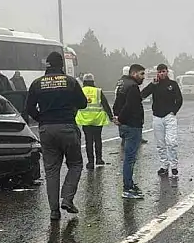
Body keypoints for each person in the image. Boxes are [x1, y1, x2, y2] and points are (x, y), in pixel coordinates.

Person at [26, 52, 88, 220]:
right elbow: (82, 103)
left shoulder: (37, 83)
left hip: (46, 129)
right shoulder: (70, 82)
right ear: (61, 65)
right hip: (67, 126)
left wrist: (41, 118)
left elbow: (29, 108)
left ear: (47, 65)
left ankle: (54, 211)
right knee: (75, 164)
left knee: (51, 170)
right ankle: (67, 198)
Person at [141, 64, 183, 177]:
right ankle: (164, 165)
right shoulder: (155, 85)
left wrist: (173, 111)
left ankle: (174, 165)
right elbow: (142, 95)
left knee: (171, 142)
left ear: (167, 72)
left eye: (163, 71)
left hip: (169, 117)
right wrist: (152, 85)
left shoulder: (173, 84)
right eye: (159, 72)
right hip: (157, 117)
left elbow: (179, 99)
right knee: (160, 144)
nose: (161, 74)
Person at [114, 64, 146, 199]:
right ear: (134, 73)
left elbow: (117, 103)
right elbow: (130, 105)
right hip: (132, 125)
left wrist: (117, 117)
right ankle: (127, 188)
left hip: (125, 125)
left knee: (129, 157)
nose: (143, 77)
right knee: (130, 158)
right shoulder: (133, 87)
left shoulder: (122, 83)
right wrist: (121, 118)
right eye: (141, 74)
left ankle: (130, 184)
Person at [75, 73, 114, 169]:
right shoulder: (98, 91)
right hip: (97, 120)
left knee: (88, 141)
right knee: (98, 140)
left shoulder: (80, 91)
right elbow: (105, 105)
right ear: (93, 82)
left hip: (85, 120)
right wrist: (111, 116)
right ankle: (99, 159)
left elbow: (74, 105)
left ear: (84, 82)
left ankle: (90, 162)